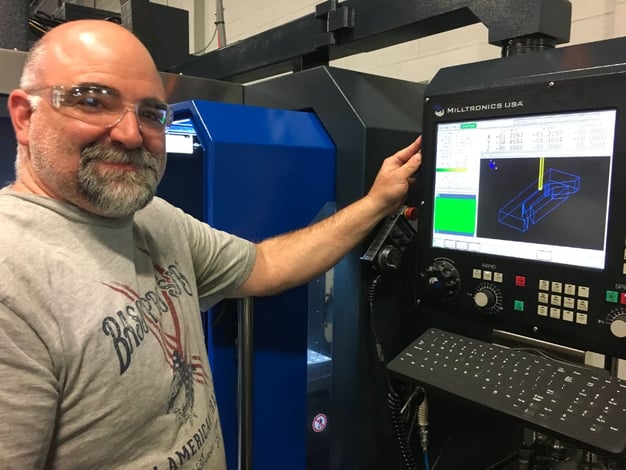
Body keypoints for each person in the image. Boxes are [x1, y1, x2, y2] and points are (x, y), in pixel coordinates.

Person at [0, 19, 422, 470]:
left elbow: (265, 264)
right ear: (25, 116)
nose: (129, 133)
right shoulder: (14, 277)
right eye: (92, 101)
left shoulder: (152, 220)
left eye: (149, 112)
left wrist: (376, 202)